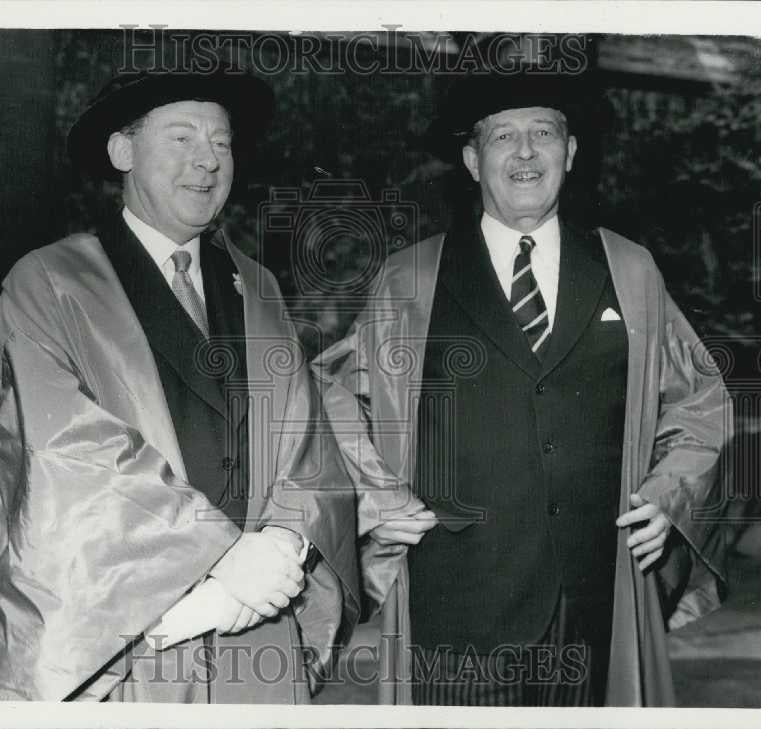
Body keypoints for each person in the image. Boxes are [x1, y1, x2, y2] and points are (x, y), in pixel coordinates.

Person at [313, 72, 732, 706]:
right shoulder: (411, 278)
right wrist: (377, 500)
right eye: (503, 136)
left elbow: (700, 399)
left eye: (544, 133)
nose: (526, 152)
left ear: (570, 152)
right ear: (471, 160)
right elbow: (338, 398)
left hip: (597, 600)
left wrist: (670, 493)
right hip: (455, 605)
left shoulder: (629, 268)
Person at [0, 68, 358, 702]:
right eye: (182, 137)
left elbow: (304, 445)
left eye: (221, 142)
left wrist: (283, 544)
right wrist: (219, 558)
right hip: (133, 638)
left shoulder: (257, 287)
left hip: (256, 627)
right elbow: (59, 452)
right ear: (123, 151)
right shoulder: (50, 283)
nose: (207, 160)